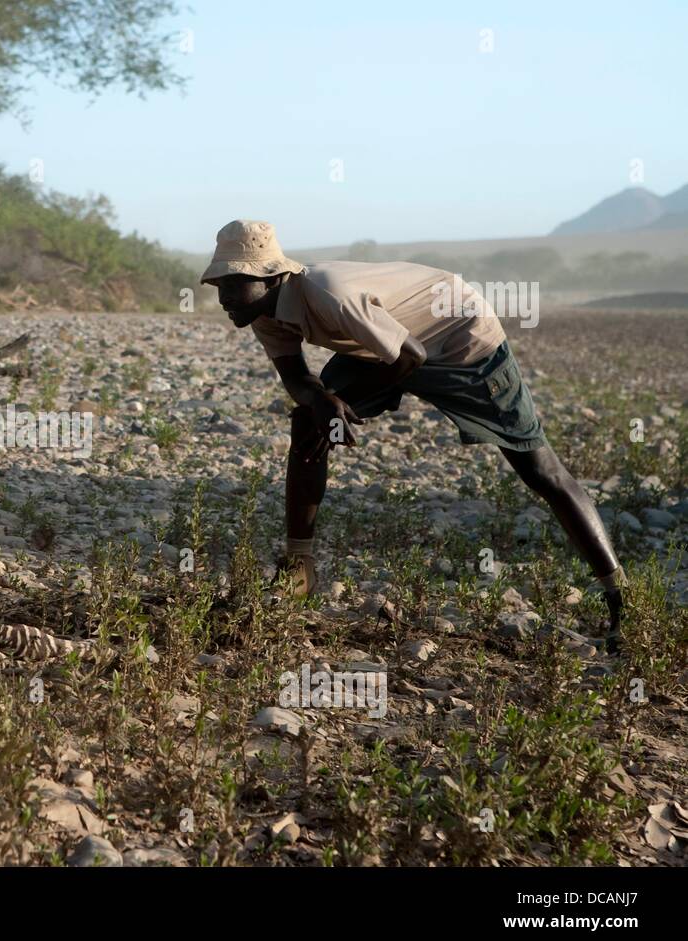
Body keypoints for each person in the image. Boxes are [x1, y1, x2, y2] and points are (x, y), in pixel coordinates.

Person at [201, 219, 626, 648]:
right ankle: (299, 570)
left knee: (541, 471)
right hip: (385, 342)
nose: (223, 298)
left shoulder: (330, 294)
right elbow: (296, 379)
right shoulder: (262, 312)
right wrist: (320, 403)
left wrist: (337, 403)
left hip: (459, 337)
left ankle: (621, 597)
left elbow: (411, 356)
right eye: (219, 285)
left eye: (234, 285)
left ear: (271, 278)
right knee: (309, 423)